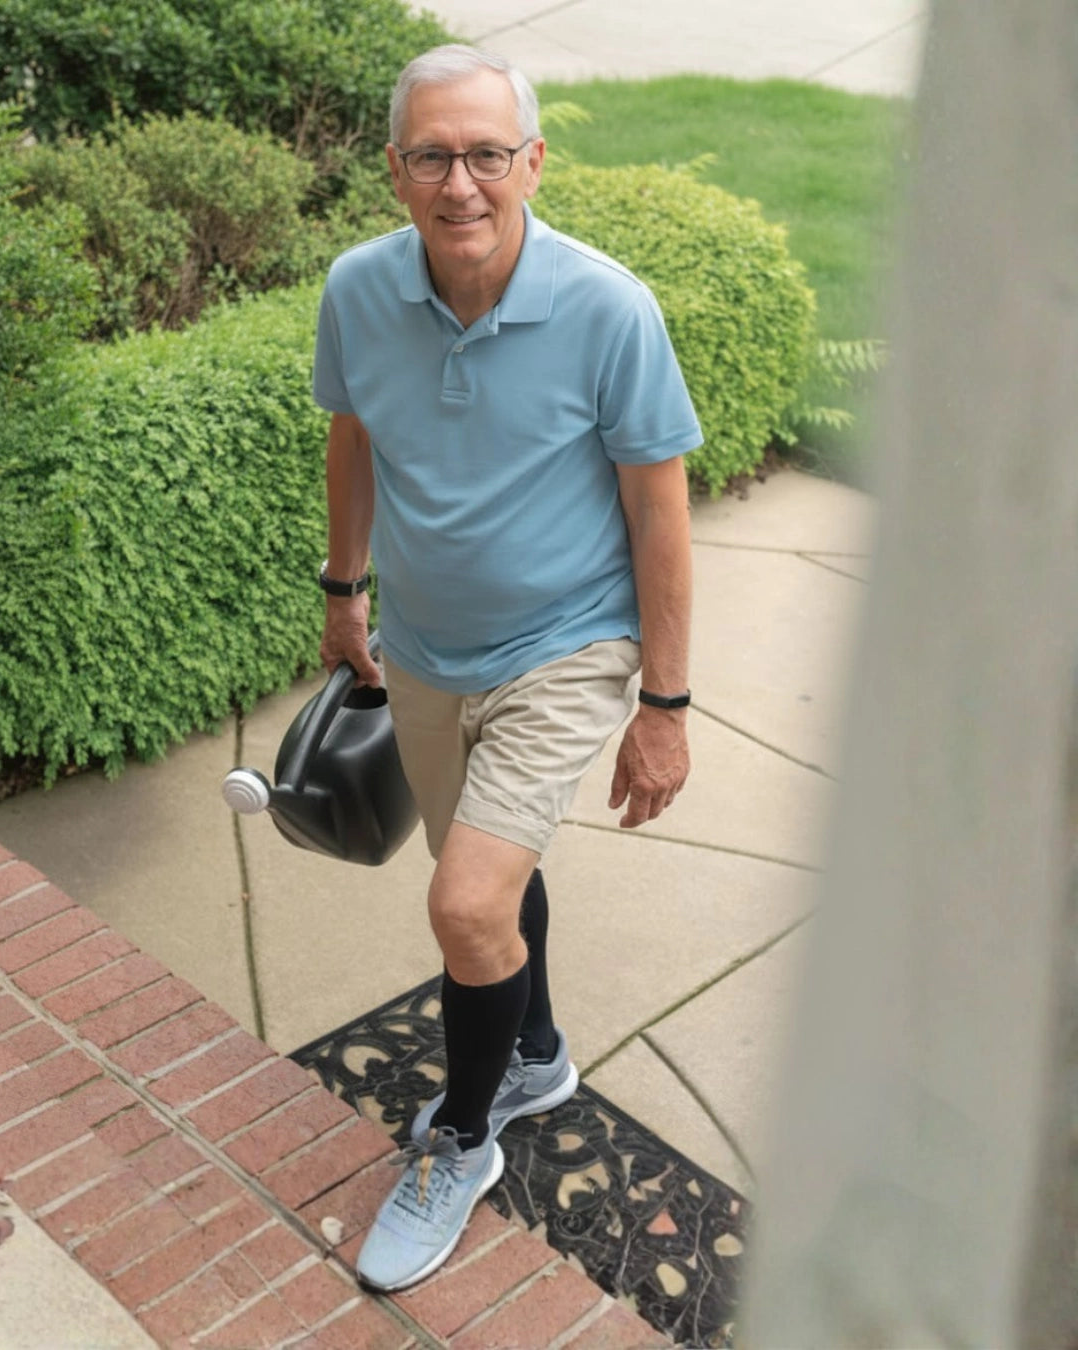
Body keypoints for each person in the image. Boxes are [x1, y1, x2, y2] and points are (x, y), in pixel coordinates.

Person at [312, 43, 701, 1291]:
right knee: (486, 877)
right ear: (395, 171)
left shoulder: (608, 310)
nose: (461, 183)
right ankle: (535, 1055)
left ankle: (463, 1139)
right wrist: (343, 590)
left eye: (487, 153)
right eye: (432, 155)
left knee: (467, 906)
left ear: (533, 162)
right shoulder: (358, 290)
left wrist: (665, 704)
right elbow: (354, 435)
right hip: (426, 646)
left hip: (569, 643)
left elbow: (659, 513)